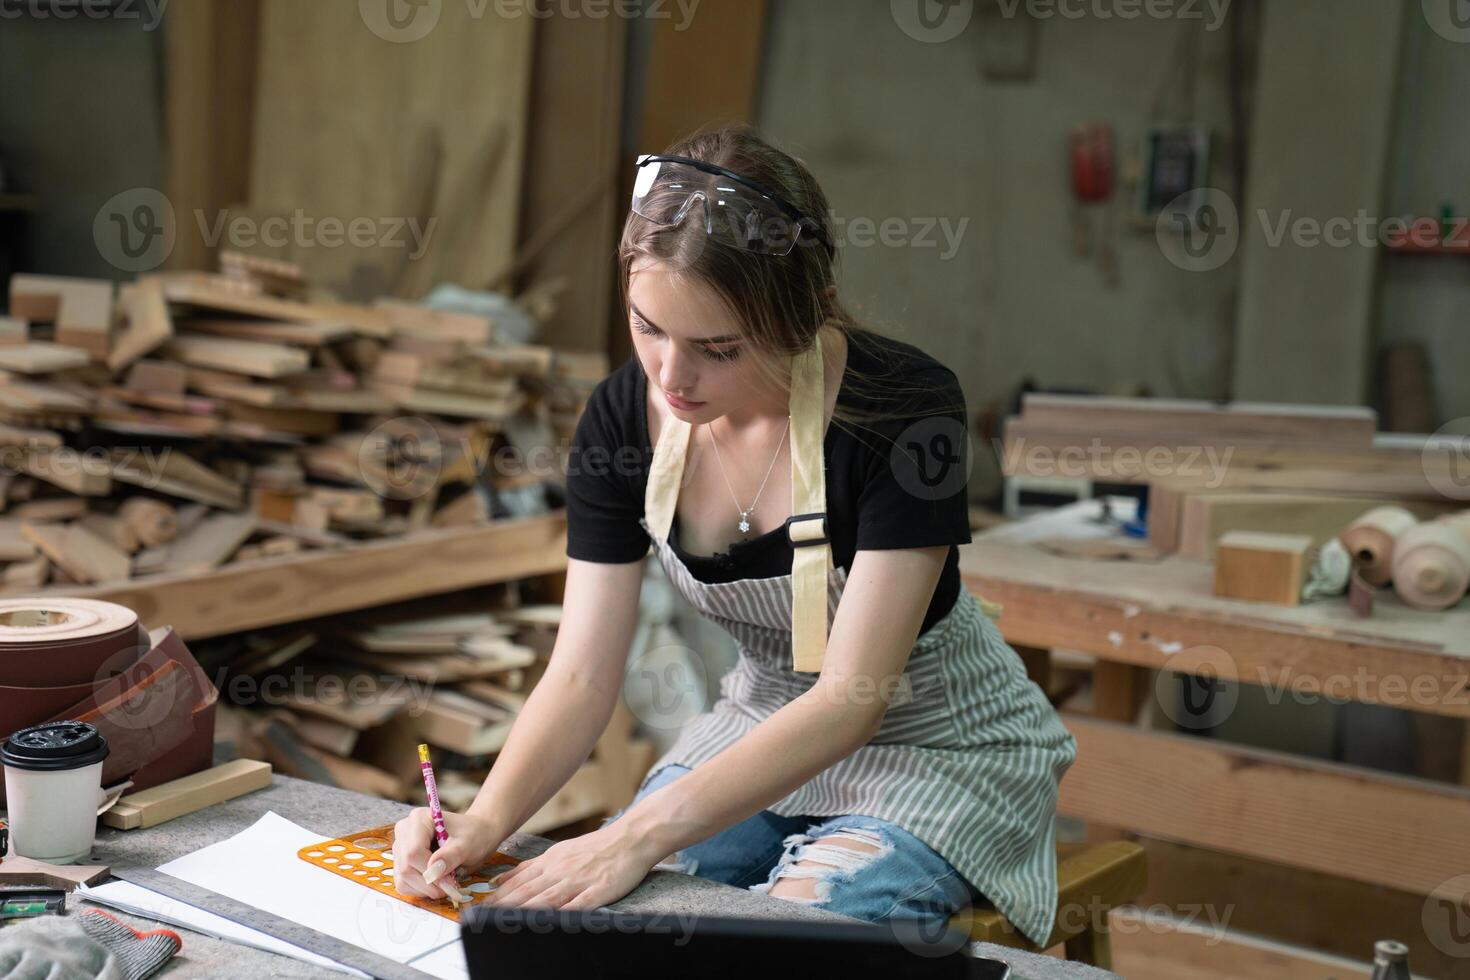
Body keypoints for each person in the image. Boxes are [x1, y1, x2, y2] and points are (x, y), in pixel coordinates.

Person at [392, 124, 1076, 946]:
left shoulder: (905, 407)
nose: (671, 378)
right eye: (647, 328)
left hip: (936, 745)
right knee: (639, 923)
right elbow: (579, 678)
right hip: (759, 724)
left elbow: (850, 704)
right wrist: (487, 817)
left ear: (805, 313)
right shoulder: (623, 419)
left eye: (717, 349)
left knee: (789, 939)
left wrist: (634, 832)